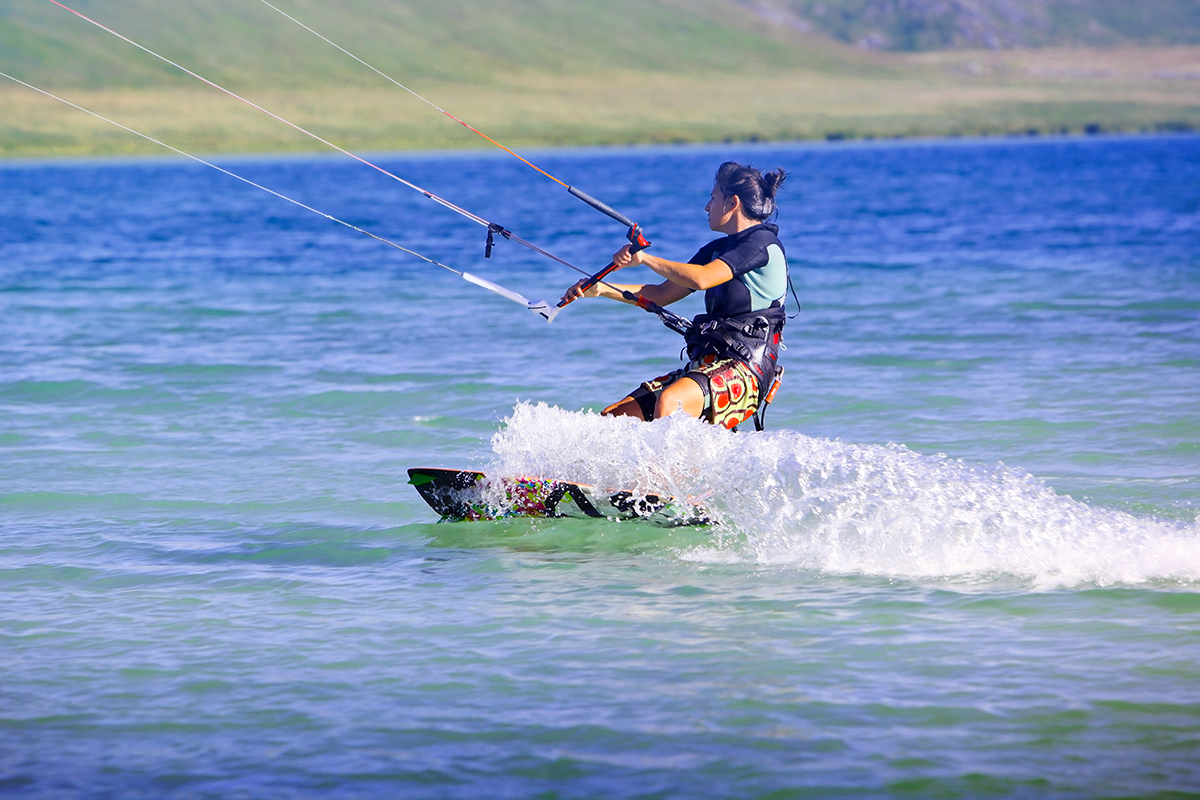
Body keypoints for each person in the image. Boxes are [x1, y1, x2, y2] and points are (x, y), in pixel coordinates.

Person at [561, 161, 790, 431]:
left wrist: (644, 258)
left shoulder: (762, 244)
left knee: (670, 401)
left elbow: (702, 279)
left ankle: (659, 474)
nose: (707, 207)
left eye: (712, 198)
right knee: (615, 418)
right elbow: (661, 293)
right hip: (709, 366)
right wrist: (601, 289)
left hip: (747, 370)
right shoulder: (716, 250)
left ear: (733, 203)